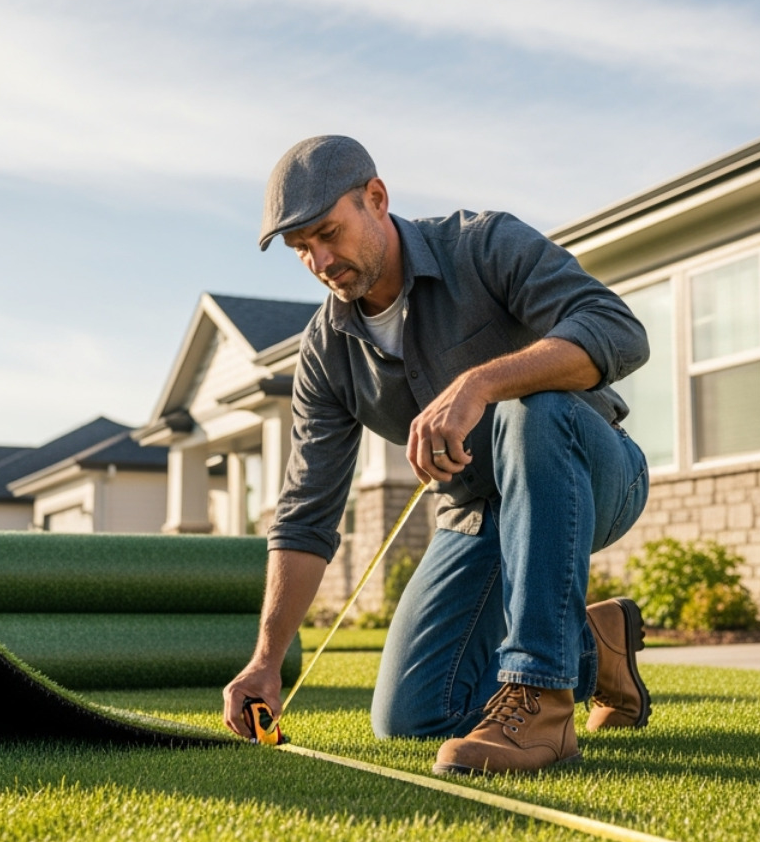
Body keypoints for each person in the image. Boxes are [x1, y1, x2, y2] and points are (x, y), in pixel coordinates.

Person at [221, 135, 652, 775]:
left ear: (376, 198)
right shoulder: (324, 351)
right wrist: (264, 660)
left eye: (328, 233)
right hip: (475, 514)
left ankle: (541, 698)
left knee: (532, 406)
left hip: (590, 469)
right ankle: (595, 647)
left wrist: (480, 383)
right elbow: (307, 515)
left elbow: (619, 330)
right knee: (411, 719)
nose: (319, 259)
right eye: (301, 248)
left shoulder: (483, 244)